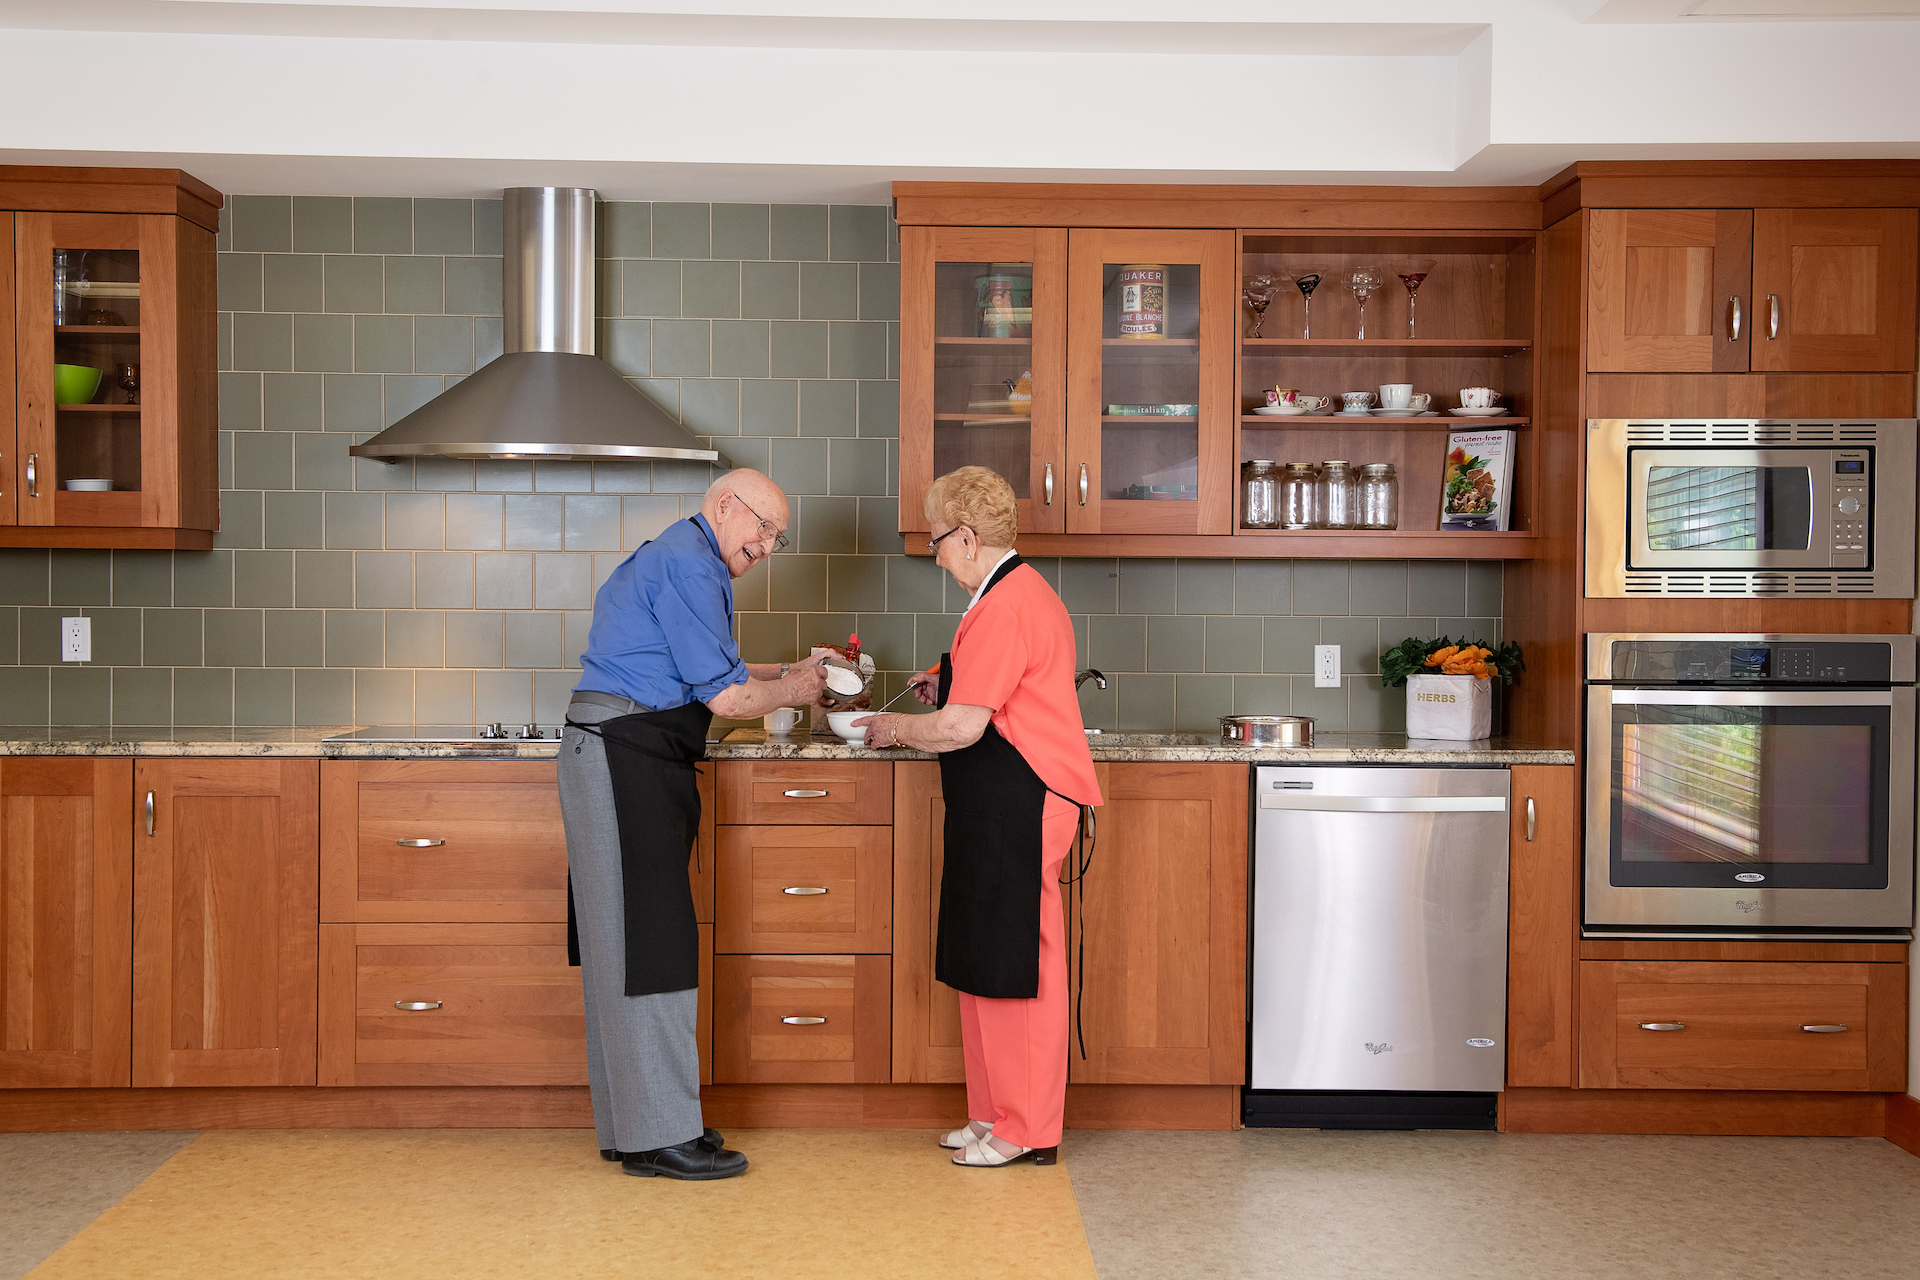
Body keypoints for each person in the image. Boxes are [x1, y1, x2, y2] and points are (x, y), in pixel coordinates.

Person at [559, 468, 827, 1181]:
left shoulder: (685, 556)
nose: (768, 546)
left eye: (778, 536)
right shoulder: (688, 560)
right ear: (724, 505)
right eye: (763, 528)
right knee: (649, 944)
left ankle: (640, 1127)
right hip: (625, 756)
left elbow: (709, 669)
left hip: (626, 754)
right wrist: (795, 690)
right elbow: (732, 696)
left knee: (631, 945)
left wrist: (794, 669)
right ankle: (660, 1136)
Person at [854, 466, 1100, 1168]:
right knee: (985, 956)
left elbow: (963, 729)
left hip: (1022, 797)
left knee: (1016, 962)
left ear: (965, 538)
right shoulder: (1009, 594)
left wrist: (892, 728)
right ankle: (994, 1114)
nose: (934, 556)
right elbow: (1000, 691)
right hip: (1000, 797)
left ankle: (1026, 1127)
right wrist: (949, 679)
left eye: (935, 543)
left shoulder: (1004, 605)